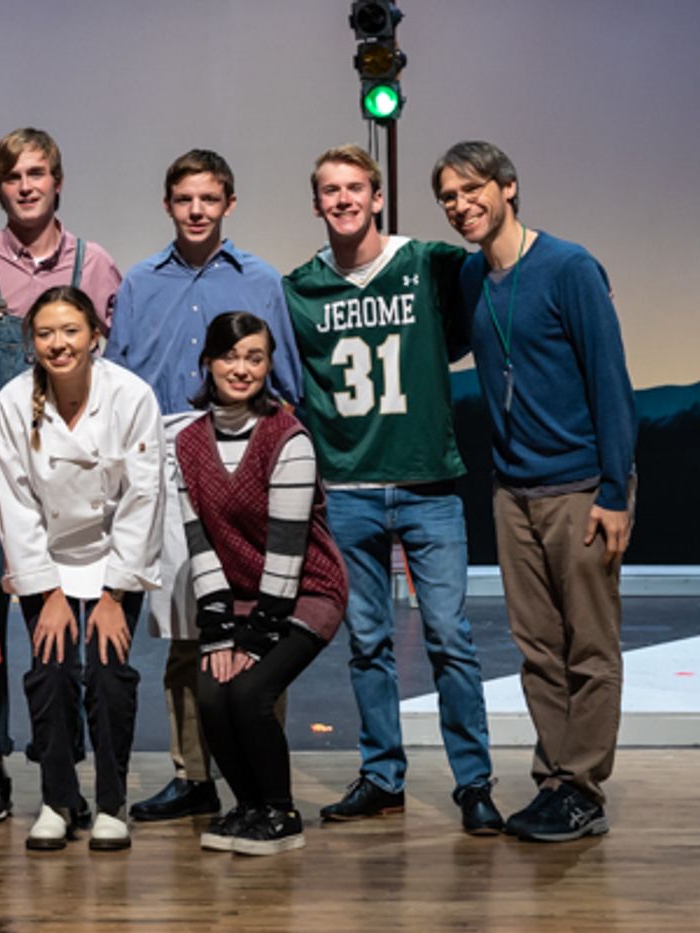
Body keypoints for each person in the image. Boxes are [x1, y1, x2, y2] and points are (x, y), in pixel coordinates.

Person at [282, 145, 502, 833]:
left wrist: (589, 280)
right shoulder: (299, 288)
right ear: (316, 204)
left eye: (355, 187)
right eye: (330, 190)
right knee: (368, 641)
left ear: (377, 197)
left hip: (427, 482)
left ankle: (474, 782)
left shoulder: (428, 263)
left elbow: (504, 268)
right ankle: (383, 776)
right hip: (347, 488)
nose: (343, 199)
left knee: (449, 637)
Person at [433, 140, 636, 842]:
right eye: (449, 197)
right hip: (512, 489)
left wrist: (615, 489)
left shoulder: (570, 267)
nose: (461, 205)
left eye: (472, 189)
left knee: (590, 648)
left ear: (508, 187)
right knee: (539, 649)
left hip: (580, 486)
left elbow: (611, 380)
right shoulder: (470, 276)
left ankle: (583, 787)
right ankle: (555, 780)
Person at [109, 149, 302, 823]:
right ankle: (193, 775)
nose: (196, 210)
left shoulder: (262, 281)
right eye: (184, 199)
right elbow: (118, 382)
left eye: (209, 199)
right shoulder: (139, 282)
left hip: (248, 448)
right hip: (169, 456)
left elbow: (288, 381)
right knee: (188, 627)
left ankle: (260, 773)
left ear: (229, 204)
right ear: (168, 204)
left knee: (258, 619)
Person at [0, 127, 123, 824]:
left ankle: (65, 767)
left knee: (67, 628)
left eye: (37, 173)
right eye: (13, 176)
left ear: (58, 181)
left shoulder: (94, 262)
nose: (26, 186)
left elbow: (112, 366)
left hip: (74, 467)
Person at [0, 286, 162, 851]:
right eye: (45, 333)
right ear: (31, 341)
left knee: (109, 675)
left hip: (114, 556)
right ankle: (58, 800)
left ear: (94, 336)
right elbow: (15, 503)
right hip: (48, 558)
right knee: (52, 673)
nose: (58, 344)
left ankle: (111, 802)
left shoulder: (131, 396)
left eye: (70, 331)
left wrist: (114, 594)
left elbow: (143, 497)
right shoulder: (13, 401)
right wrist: (48, 593)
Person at [178, 312, 346, 856]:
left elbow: (287, 552)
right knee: (211, 690)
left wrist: (254, 640)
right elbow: (199, 543)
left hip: (305, 591)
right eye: (230, 357)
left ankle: (281, 812)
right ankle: (248, 806)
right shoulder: (187, 443)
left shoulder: (287, 439)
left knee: (250, 691)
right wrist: (218, 633)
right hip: (240, 596)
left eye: (255, 358)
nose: (241, 369)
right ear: (208, 361)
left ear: (269, 365)